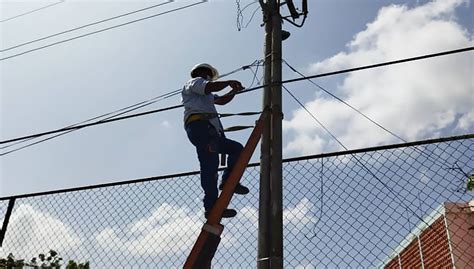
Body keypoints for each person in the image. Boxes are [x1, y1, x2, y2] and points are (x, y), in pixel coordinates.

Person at [182, 63, 250, 218]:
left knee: (236, 149)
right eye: (210, 76)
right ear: (204, 74)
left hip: (209, 131)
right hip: (200, 127)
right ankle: (211, 206)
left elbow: (221, 100)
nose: (210, 79)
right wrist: (227, 82)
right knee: (210, 165)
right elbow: (209, 87)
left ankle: (227, 182)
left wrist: (233, 90)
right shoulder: (195, 82)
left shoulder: (206, 95)